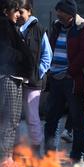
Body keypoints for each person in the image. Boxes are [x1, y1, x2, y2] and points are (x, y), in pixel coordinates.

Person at [44, 0, 84, 163]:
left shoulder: (83, 28)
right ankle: (50, 155)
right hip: (55, 78)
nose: (58, 17)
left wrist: (70, 72)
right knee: (51, 119)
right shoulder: (57, 26)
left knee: (77, 120)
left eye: (61, 14)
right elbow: (50, 47)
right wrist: (49, 70)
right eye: (57, 14)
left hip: (72, 79)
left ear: (71, 14)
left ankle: (77, 156)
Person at [0, 0, 34, 167]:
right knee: (10, 119)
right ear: (6, 11)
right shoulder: (4, 25)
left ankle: (7, 156)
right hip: (9, 77)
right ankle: (5, 159)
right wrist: (23, 57)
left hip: (14, 77)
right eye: (16, 11)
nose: (19, 15)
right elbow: (5, 50)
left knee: (9, 119)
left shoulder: (8, 25)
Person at [17, 0, 53, 156]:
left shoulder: (39, 29)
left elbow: (47, 55)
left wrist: (38, 73)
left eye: (21, 11)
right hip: (16, 80)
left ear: (29, 11)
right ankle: (17, 149)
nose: (18, 15)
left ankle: (36, 148)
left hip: (33, 82)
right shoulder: (13, 28)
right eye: (16, 11)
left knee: (32, 116)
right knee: (14, 117)